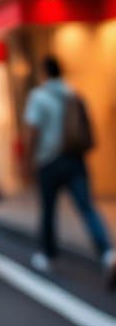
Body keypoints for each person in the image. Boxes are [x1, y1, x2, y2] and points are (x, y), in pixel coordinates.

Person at [24, 55, 116, 286]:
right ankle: (107, 252)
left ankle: (47, 255)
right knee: (87, 207)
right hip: (75, 159)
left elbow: (33, 131)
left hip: (49, 162)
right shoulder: (73, 92)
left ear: (44, 71)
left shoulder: (39, 96)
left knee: (48, 209)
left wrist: (28, 160)